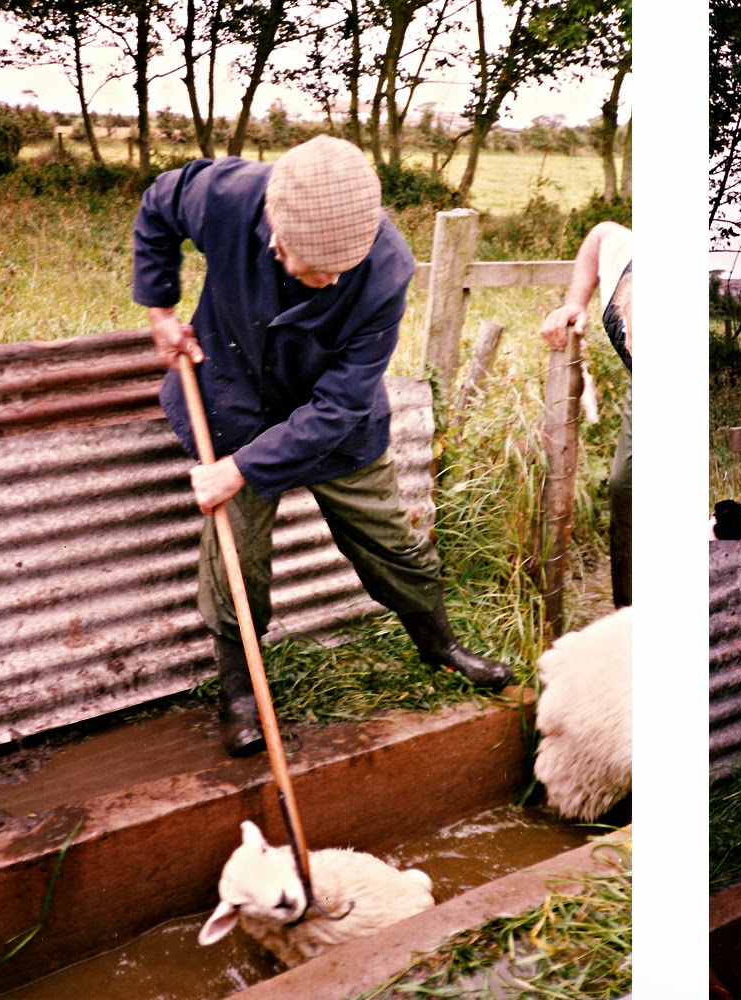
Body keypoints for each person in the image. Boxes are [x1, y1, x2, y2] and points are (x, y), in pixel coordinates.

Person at [132, 135, 513, 758]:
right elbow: (156, 208)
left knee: (390, 540)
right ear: (274, 231)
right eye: (317, 268)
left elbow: (338, 406)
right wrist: (159, 309)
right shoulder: (226, 197)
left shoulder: (387, 268)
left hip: (337, 427)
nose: (332, 280)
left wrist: (243, 469)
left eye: (343, 268)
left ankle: (441, 648)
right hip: (234, 403)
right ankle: (239, 694)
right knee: (236, 559)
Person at [539, 222, 632, 607]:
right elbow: (599, 234)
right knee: (626, 487)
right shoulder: (623, 258)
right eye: (633, 335)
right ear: (621, 316)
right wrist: (576, 302)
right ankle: (629, 613)